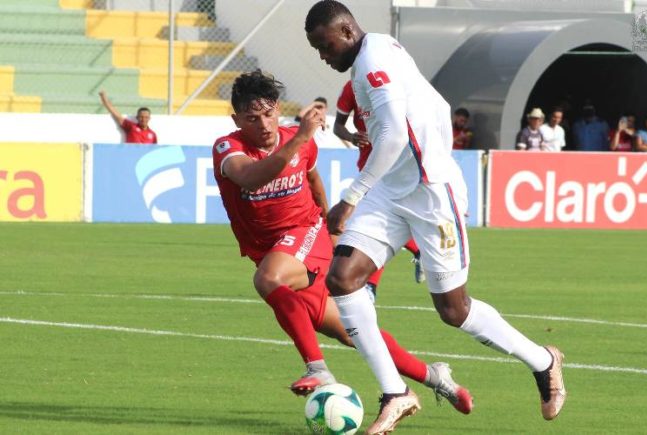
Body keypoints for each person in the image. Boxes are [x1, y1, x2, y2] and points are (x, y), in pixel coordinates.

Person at [305, 2, 566, 434]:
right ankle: (396, 393)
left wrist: (350, 197)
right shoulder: (377, 49)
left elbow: (390, 134)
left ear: (347, 31)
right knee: (342, 277)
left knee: (454, 310)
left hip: (429, 194)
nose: (322, 55)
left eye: (324, 45)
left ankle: (543, 361)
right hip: (392, 190)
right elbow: (433, 107)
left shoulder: (372, 63)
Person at [211, 70, 473, 415]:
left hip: (304, 235)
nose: (263, 124)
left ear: (277, 110)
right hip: (279, 251)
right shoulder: (228, 147)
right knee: (356, 333)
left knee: (268, 279)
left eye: (269, 113)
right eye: (252, 118)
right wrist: (300, 138)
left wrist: (330, 222)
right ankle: (436, 377)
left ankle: (317, 370)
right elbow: (249, 176)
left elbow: (313, 180)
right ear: (236, 120)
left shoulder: (299, 140)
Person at [333, 79, 426, 293]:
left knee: (373, 225)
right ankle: (415, 252)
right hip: (369, 166)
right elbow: (338, 126)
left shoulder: (393, 86)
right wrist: (352, 136)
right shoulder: (350, 88)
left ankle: (371, 287)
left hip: (399, 164)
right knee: (375, 225)